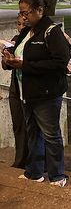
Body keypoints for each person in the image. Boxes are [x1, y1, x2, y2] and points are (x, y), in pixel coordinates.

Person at [2, 0, 70, 186]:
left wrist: (24, 64)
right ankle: (34, 172)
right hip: (27, 93)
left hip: (46, 94)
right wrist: (8, 60)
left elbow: (59, 62)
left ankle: (57, 176)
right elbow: (18, 55)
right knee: (33, 133)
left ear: (39, 10)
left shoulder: (51, 32)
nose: (23, 17)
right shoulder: (26, 32)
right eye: (21, 13)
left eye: (26, 13)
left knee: (51, 134)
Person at [1, 15, 28, 169]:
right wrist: (7, 59)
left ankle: (37, 161)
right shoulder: (15, 40)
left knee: (33, 128)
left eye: (24, 23)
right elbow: (6, 66)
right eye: (18, 24)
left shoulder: (32, 41)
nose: (21, 26)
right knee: (18, 126)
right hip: (15, 89)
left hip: (32, 89)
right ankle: (20, 160)